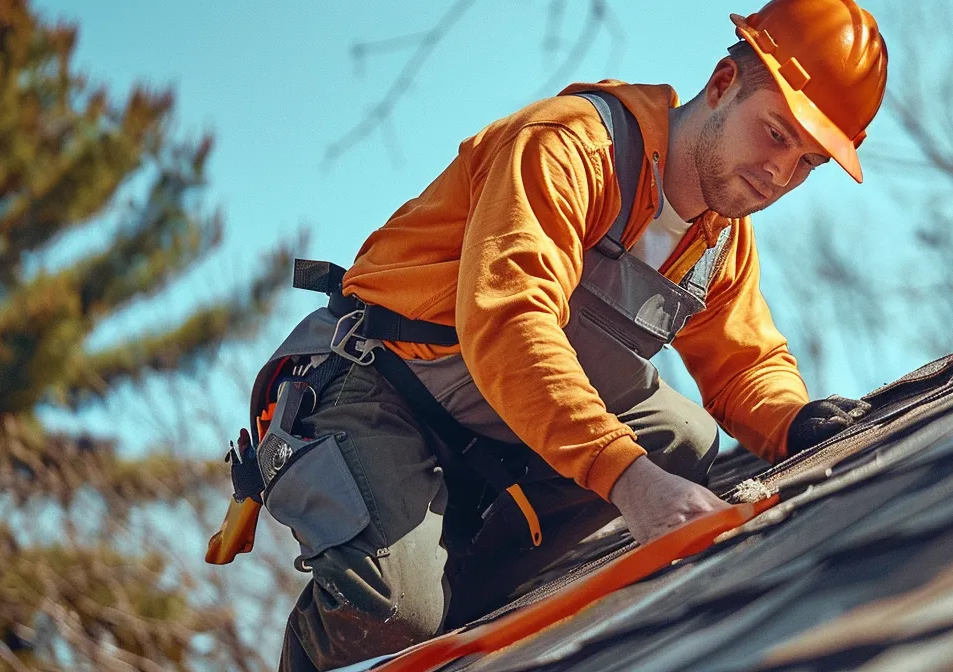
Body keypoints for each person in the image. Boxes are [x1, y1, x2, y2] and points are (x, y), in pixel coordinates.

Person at [253, 1, 888, 668]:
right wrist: (627, 480)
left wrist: (792, 421)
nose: (780, 175)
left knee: (682, 441)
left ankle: (462, 606)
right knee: (390, 612)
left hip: (498, 418)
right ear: (724, 84)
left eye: (809, 162)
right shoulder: (570, 146)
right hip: (377, 382)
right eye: (777, 135)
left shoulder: (719, 241)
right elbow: (510, 324)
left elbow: (742, 362)